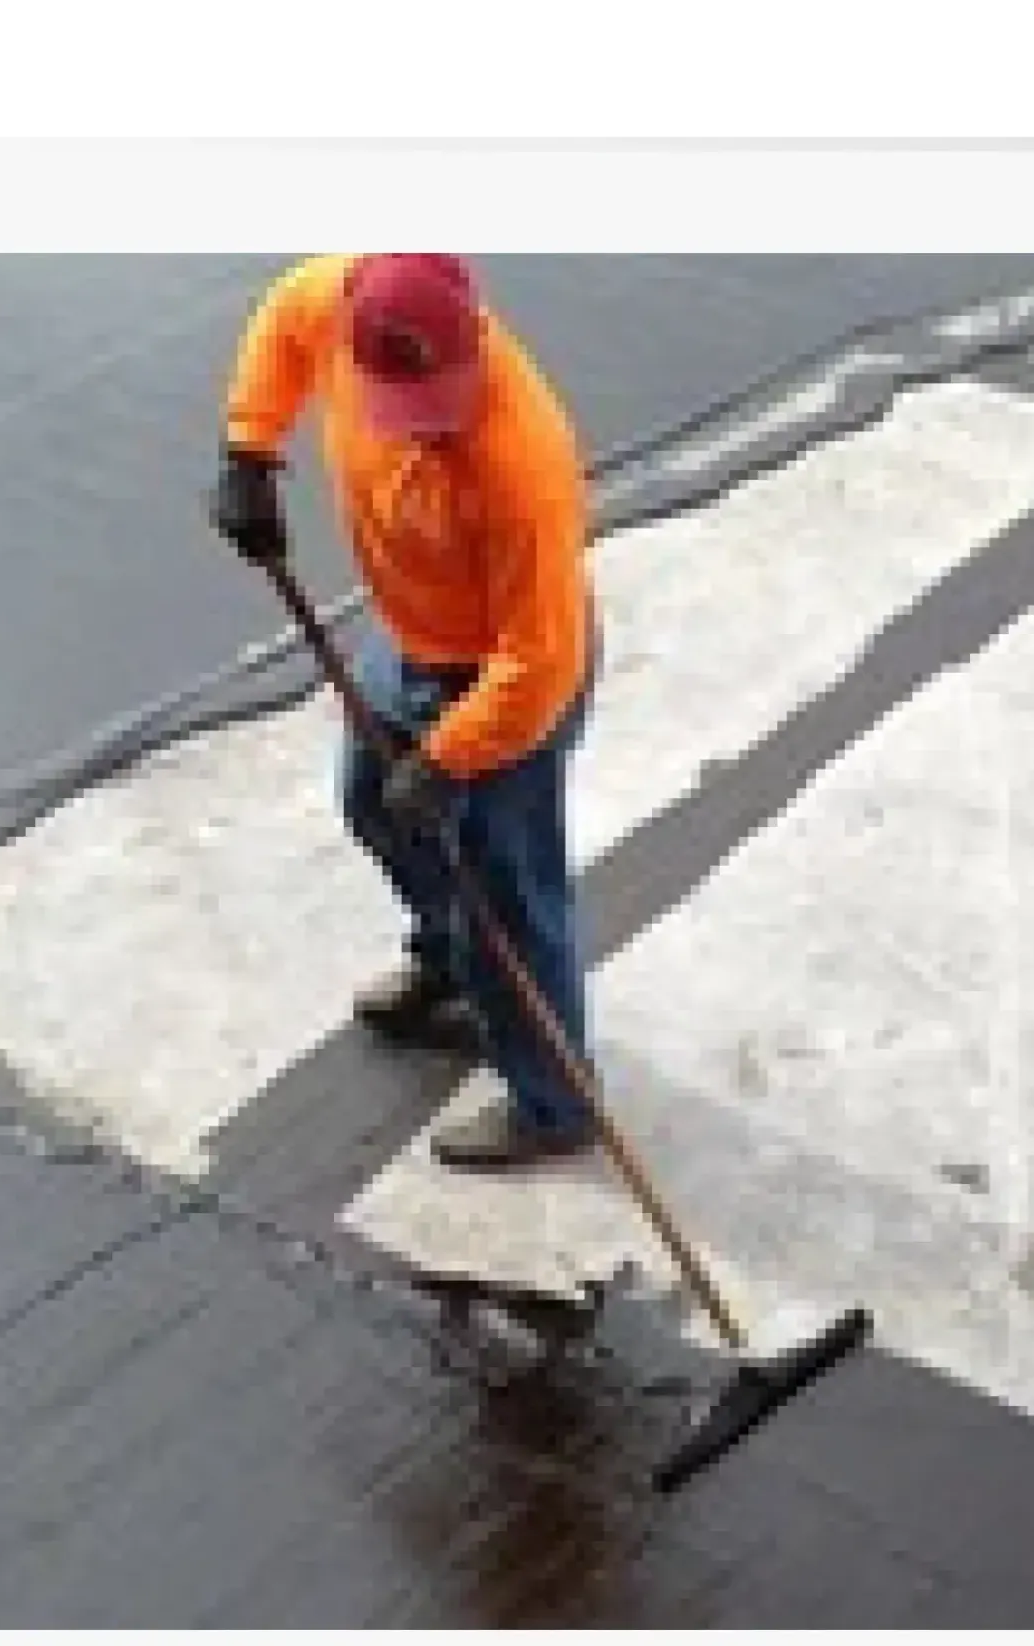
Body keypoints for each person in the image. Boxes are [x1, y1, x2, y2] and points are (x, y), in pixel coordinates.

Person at [210, 252, 602, 1170]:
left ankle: (554, 1102)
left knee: (508, 892)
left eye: (440, 400)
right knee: (372, 805)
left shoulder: (523, 466)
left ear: (474, 338)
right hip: (410, 638)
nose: (429, 427)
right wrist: (249, 452)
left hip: (503, 681)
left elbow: (539, 662)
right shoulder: (341, 300)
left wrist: (449, 756)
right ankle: (450, 963)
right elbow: (280, 319)